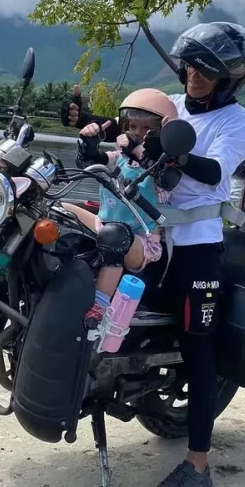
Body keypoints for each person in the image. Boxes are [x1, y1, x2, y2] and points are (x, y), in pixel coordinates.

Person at [64, 21, 245, 487]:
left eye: (207, 71)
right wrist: (91, 128)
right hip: (146, 235)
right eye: (192, 66)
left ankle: (197, 463)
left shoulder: (235, 121)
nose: (195, 76)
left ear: (229, 78)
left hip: (194, 248)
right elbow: (126, 126)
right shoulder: (170, 107)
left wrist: (175, 154)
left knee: (198, 347)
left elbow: (215, 172)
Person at [64, 89, 174, 328]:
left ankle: (99, 307)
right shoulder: (121, 157)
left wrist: (137, 149)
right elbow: (94, 162)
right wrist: (89, 146)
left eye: (146, 129)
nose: (137, 133)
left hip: (142, 242)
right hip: (104, 225)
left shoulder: (166, 166)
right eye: (132, 127)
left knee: (114, 234)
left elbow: (162, 178)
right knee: (61, 209)